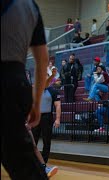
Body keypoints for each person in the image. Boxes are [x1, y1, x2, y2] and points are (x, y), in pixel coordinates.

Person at [1, 0, 48, 179]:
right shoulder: (31, 6)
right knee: (23, 163)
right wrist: (36, 103)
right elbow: (43, 59)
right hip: (15, 82)